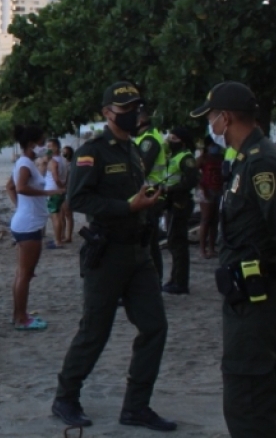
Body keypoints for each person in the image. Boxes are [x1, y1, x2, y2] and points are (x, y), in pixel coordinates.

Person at [191, 81, 276, 438]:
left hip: (258, 297)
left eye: (212, 118)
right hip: (250, 293)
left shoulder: (260, 162)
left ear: (226, 118)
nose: (211, 126)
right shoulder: (247, 158)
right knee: (258, 389)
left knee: (249, 391)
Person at [52, 81, 173, 431]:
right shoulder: (94, 151)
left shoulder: (132, 150)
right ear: (107, 113)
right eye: (126, 110)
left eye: (137, 108)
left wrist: (148, 198)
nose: (135, 114)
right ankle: (65, 396)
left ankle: (136, 406)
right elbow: (78, 200)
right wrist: (127, 206)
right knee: (95, 331)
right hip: (107, 254)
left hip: (139, 252)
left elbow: (132, 195)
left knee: (155, 327)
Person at [5, 125, 60, 330]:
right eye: (41, 142)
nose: (44, 146)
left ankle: (19, 315)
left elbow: (10, 187)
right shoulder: (26, 164)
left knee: (23, 273)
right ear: (31, 144)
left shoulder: (24, 162)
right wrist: (47, 195)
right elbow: (19, 187)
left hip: (25, 221)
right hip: (28, 226)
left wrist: (22, 207)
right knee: (25, 274)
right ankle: (21, 319)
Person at [161, 128, 199, 295]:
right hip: (173, 202)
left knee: (179, 243)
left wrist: (171, 188)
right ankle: (174, 278)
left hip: (180, 202)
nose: (170, 140)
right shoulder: (175, 156)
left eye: (174, 138)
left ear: (182, 141)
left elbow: (191, 180)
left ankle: (181, 282)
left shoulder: (186, 158)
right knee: (173, 242)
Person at [134, 110, 170, 279]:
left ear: (141, 120)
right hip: (148, 193)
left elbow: (142, 168)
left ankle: (153, 282)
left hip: (150, 194)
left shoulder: (149, 140)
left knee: (149, 243)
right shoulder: (144, 138)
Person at [196, 139, 225, 259]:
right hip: (206, 190)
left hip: (219, 189)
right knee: (206, 219)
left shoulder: (220, 157)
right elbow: (194, 172)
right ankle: (203, 250)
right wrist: (201, 186)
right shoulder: (203, 158)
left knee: (214, 220)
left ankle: (212, 248)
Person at [45, 139, 69, 247]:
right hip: (60, 190)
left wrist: (60, 187)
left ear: (56, 147)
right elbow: (66, 175)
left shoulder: (53, 162)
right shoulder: (63, 160)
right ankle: (60, 237)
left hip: (53, 191)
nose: (48, 149)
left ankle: (57, 241)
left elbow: (55, 177)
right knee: (60, 215)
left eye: (50, 146)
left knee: (55, 216)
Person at [60, 145, 76, 244]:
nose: (64, 153)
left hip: (69, 190)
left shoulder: (73, 164)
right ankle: (62, 234)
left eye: (65, 152)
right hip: (62, 189)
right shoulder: (63, 163)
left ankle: (68, 236)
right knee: (61, 214)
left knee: (68, 213)